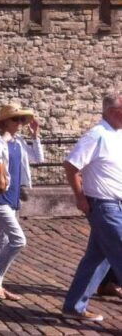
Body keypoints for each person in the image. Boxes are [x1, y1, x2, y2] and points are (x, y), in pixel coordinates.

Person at [61, 92, 122, 322]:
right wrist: (80, 197)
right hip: (104, 206)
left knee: (97, 258)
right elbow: (71, 165)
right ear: (113, 111)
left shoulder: (117, 134)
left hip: (116, 204)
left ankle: (74, 306)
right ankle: (75, 306)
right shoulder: (96, 135)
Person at [0, 103, 43, 301]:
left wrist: (35, 136)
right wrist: (3, 140)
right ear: (5, 121)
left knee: (4, 241)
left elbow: (37, 159)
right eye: (15, 119)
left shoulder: (20, 142)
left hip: (13, 197)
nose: (20, 123)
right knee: (19, 240)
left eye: (21, 120)